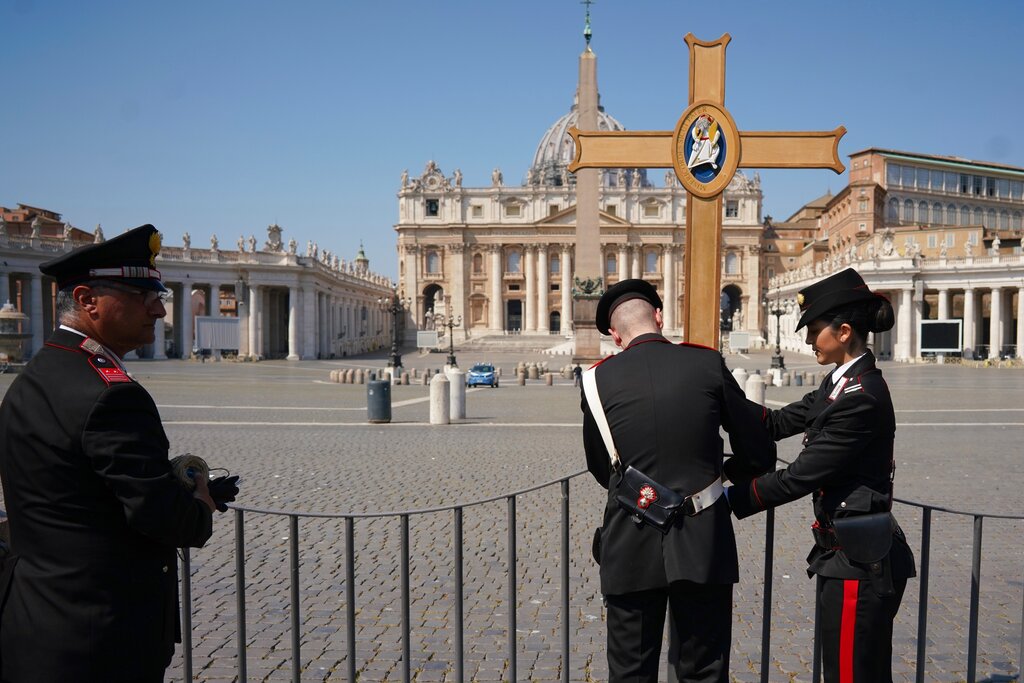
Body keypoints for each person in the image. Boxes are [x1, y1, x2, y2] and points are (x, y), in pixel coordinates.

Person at [0, 224, 239, 683]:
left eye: (159, 295)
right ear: (88, 300)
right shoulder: (112, 395)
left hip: (34, 622)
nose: (160, 309)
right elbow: (164, 517)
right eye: (142, 295)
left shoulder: (36, 374)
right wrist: (200, 502)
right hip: (101, 639)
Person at [725, 268, 916, 683]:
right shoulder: (839, 383)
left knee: (849, 675)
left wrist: (725, 500)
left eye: (814, 331)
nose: (810, 340)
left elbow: (798, 477)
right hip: (845, 555)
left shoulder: (860, 397)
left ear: (843, 332)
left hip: (859, 562)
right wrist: (720, 390)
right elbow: (776, 422)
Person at [580, 278, 775, 682]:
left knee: (630, 673)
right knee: (702, 670)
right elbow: (758, 450)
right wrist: (725, 474)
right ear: (659, 316)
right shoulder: (706, 363)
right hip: (703, 537)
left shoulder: (595, 380)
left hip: (629, 536)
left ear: (615, 334)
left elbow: (602, 468)